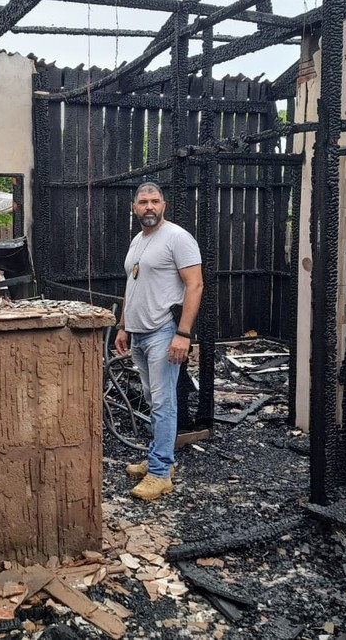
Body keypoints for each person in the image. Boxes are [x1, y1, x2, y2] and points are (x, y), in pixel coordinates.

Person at [114, 182, 203, 501]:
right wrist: (123, 326)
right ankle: (160, 458)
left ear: (163, 205)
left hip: (164, 331)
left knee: (164, 403)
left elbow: (195, 285)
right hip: (138, 333)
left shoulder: (178, 237)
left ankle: (160, 472)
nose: (149, 206)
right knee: (153, 401)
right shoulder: (138, 240)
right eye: (143, 202)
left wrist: (183, 333)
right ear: (134, 208)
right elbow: (132, 284)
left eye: (154, 201)